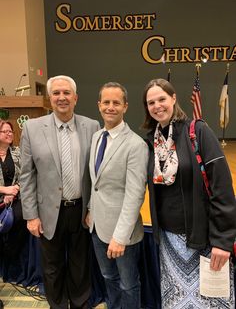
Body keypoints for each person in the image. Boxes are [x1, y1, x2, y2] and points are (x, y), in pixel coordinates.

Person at [142, 78, 236, 308]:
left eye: (162, 99)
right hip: (168, 241)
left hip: (203, 239)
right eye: (151, 102)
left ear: (174, 98)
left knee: (210, 302)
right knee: (177, 302)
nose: (157, 106)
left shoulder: (198, 131)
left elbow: (222, 187)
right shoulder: (151, 142)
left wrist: (223, 241)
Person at [20, 75, 100, 309]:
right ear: (50, 98)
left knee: (80, 265)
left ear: (75, 98)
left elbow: (96, 173)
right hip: (47, 212)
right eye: (56, 93)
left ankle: (80, 304)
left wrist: (91, 208)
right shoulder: (32, 128)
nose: (62, 98)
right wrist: (31, 215)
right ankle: (57, 306)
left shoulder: (92, 126)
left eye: (66, 93)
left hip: (80, 209)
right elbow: (26, 175)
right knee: (52, 267)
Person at [85, 82, 148, 309]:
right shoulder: (96, 137)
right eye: (106, 102)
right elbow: (96, 183)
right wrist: (91, 210)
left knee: (128, 284)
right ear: (99, 105)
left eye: (116, 103)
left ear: (125, 106)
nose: (110, 107)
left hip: (123, 235)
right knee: (109, 278)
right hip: (97, 228)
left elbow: (135, 196)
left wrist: (120, 237)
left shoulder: (136, 145)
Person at [0, 119, 28, 278]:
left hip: (16, 198)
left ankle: (10, 255)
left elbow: (26, 175)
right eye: (5, 131)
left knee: (21, 216)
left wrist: (14, 190)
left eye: (11, 131)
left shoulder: (17, 152)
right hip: (1, 196)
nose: (9, 134)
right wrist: (4, 190)